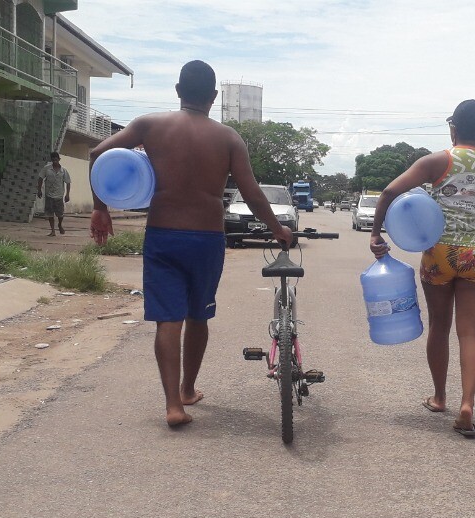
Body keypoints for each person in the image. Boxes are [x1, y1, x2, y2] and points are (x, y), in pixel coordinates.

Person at [89, 60, 293, 428]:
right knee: (198, 316)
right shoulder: (229, 138)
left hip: (163, 235)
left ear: (178, 90)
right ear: (214, 97)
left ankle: (173, 406)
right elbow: (251, 192)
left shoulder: (149, 125)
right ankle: (188, 389)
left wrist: (100, 209)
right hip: (207, 238)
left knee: (169, 319)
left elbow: (96, 154)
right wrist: (278, 227)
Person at [369, 99, 475, 439]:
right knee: (470, 332)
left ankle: (440, 398)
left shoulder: (438, 161)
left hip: (440, 254)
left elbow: (390, 191)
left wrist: (377, 232)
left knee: (440, 325)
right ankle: (468, 403)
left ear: (453, 128)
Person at [36, 151, 71, 236]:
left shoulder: (64, 170)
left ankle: (59, 224)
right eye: (53, 160)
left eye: (56, 159)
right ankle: (52, 230)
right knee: (50, 214)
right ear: (51, 160)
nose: (55, 161)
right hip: (49, 195)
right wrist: (39, 190)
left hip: (59, 196)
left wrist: (67, 194)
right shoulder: (46, 169)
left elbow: (68, 182)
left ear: (59, 159)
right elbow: (40, 178)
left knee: (60, 214)